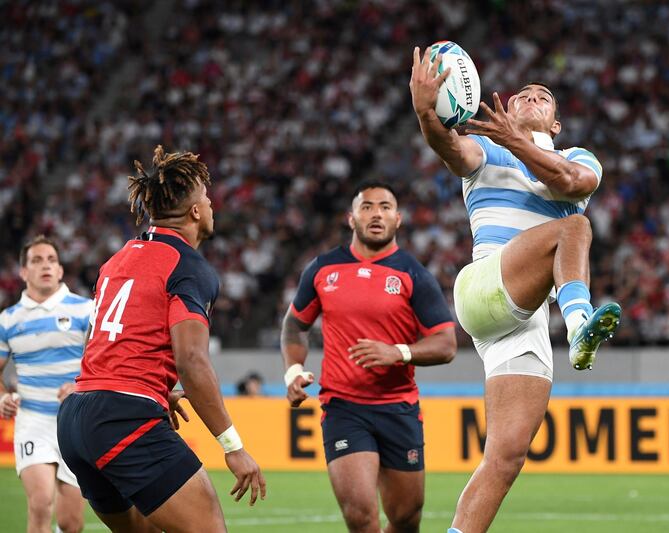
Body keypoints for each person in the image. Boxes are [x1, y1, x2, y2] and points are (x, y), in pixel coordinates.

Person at [409, 47, 621, 533]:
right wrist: (425, 110)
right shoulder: (488, 149)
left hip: (523, 316)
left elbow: (569, 179)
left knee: (506, 457)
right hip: (483, 288)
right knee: (574, 230)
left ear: (556, 123)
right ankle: (579, 325)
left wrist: (521, 141)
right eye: (523, 93)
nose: (530, 97)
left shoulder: (576, 157)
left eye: (542, 97)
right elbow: (449, 147)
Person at [56, 146, 266, 532]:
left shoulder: (117, 258)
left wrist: (155, 386)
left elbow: (111, 339)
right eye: (207, 197)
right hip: (123, 419)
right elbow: (192, 361)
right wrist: (234, 448)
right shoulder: (188, 265)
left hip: (76, 419)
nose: (211, 204)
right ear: (196, 211)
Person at [281, 181, 457, 533]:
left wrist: (399, 352)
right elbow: (294, 326)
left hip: (398, 407)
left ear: (399, 219)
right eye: (367, 206)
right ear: (351, 218)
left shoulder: (414, 275)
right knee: (361, 517)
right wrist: (294, 371)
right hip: (343, 407)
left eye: (385, 206)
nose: (376, 213)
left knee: (406, 518)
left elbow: (446, 344)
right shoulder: (322, 269)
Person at [0, 235, 93, 533]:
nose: (46, 266)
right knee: (40, 504)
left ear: (61, 271)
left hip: (76, 422)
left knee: (70, 522)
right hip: (33, 421)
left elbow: (105, 362)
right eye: (37, 260)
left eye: (51, 260)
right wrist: (2, 397)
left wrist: (81, 385)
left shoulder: (86, 310)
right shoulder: (8, 321)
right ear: (24, 272)